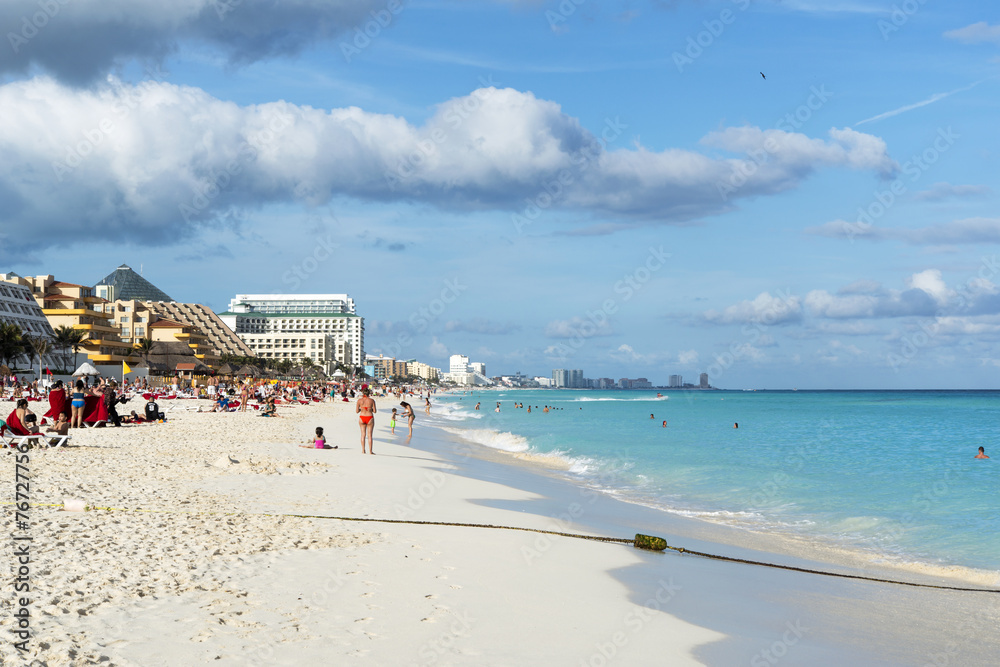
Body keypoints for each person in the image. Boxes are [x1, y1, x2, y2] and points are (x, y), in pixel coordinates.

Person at [357, 388, 376, 454]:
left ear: (363, 393)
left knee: (363, 435)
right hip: (370, 417)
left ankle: (363, 450)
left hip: (362, 417)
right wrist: (369, 409)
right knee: (370, 435)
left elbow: (357, 411)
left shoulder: (359, 401)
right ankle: (370, 451)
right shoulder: (372, 400)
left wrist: (362, 409)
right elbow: (375, 411)